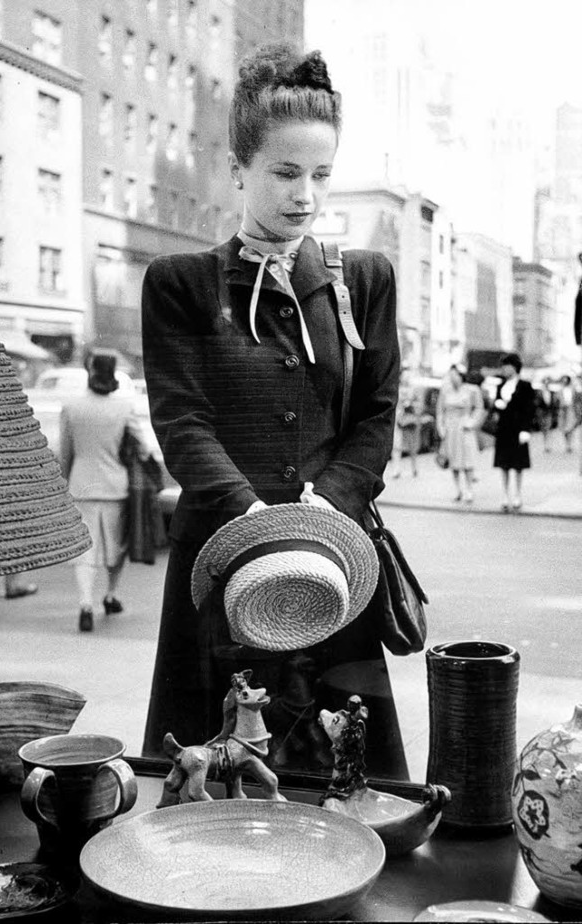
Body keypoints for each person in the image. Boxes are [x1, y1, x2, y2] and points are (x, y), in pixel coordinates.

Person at [140, 44, 408, 781]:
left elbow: (377, 415)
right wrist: (252, 518)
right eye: (285, 173)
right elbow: (182, 421)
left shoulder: (366, 281)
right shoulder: (181, 284)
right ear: (239, 168)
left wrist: (329, 506)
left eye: (322, 175)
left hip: (330, 563)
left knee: (342, 782)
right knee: (208, 777)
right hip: (222, 559)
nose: (306, 195)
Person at [59, 350, 152, 632]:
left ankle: (85, 604)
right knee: (115, 546)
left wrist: (66, 482)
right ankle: (110, 596)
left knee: (85, 550)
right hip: (116, 486)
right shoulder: (125, 407)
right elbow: (145, 449)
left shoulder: (71, 406)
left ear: (89, 370)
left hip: (81, 485)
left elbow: (66, 452)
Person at [436, 363, 483, 504]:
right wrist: (441, 428)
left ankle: (469, 489)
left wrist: (472, 422)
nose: (453, 378)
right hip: (450, 428)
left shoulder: (472, 390)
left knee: (468, 459)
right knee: (453, 459)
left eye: (455, 375)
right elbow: (440, 412)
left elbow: (479, 408)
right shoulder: (445, 391)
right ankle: (458, 489)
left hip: (464, 427)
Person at [493, 352, 533, 513]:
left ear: (514, 367)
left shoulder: (525, 386)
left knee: (517, 464)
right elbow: (495, 408)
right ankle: (504, 494)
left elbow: (529, 409)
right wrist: (497, 404)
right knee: (503, 464)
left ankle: (517, 493)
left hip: (518, 429)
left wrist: (525, 429)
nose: (503, 369)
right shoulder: (500, 386)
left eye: (506, 366)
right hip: (504, 429)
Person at [390, 367, 422, 478]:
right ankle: (396, 469)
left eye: (408, 376)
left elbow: (419, 405)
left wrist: (411, 405)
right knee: (396, 446)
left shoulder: (414, 390)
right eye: (405, 376)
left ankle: (414, 467)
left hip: (410, 420)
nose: (406, 378)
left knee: (412, 446)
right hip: (397, 420)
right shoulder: (395, 389)